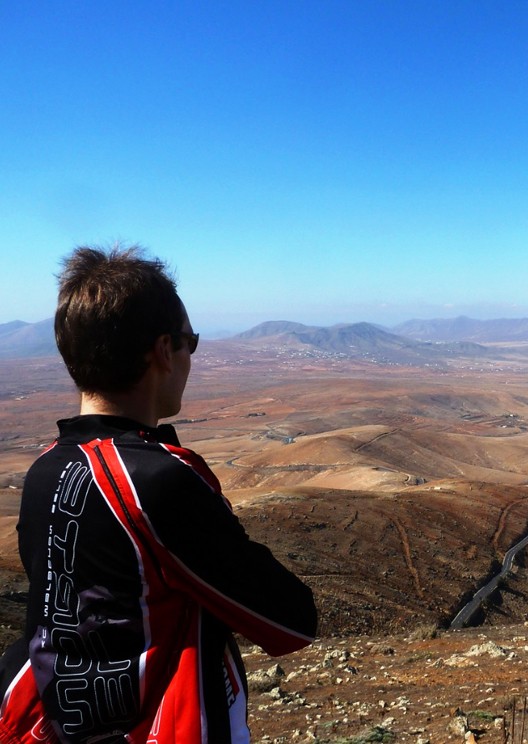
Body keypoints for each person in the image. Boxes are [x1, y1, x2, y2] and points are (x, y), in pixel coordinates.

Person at [0, 245, 317, 743]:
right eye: (191, 341)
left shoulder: (44, 470)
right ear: (163, 351)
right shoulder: (156, 479)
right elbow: (292, 620)